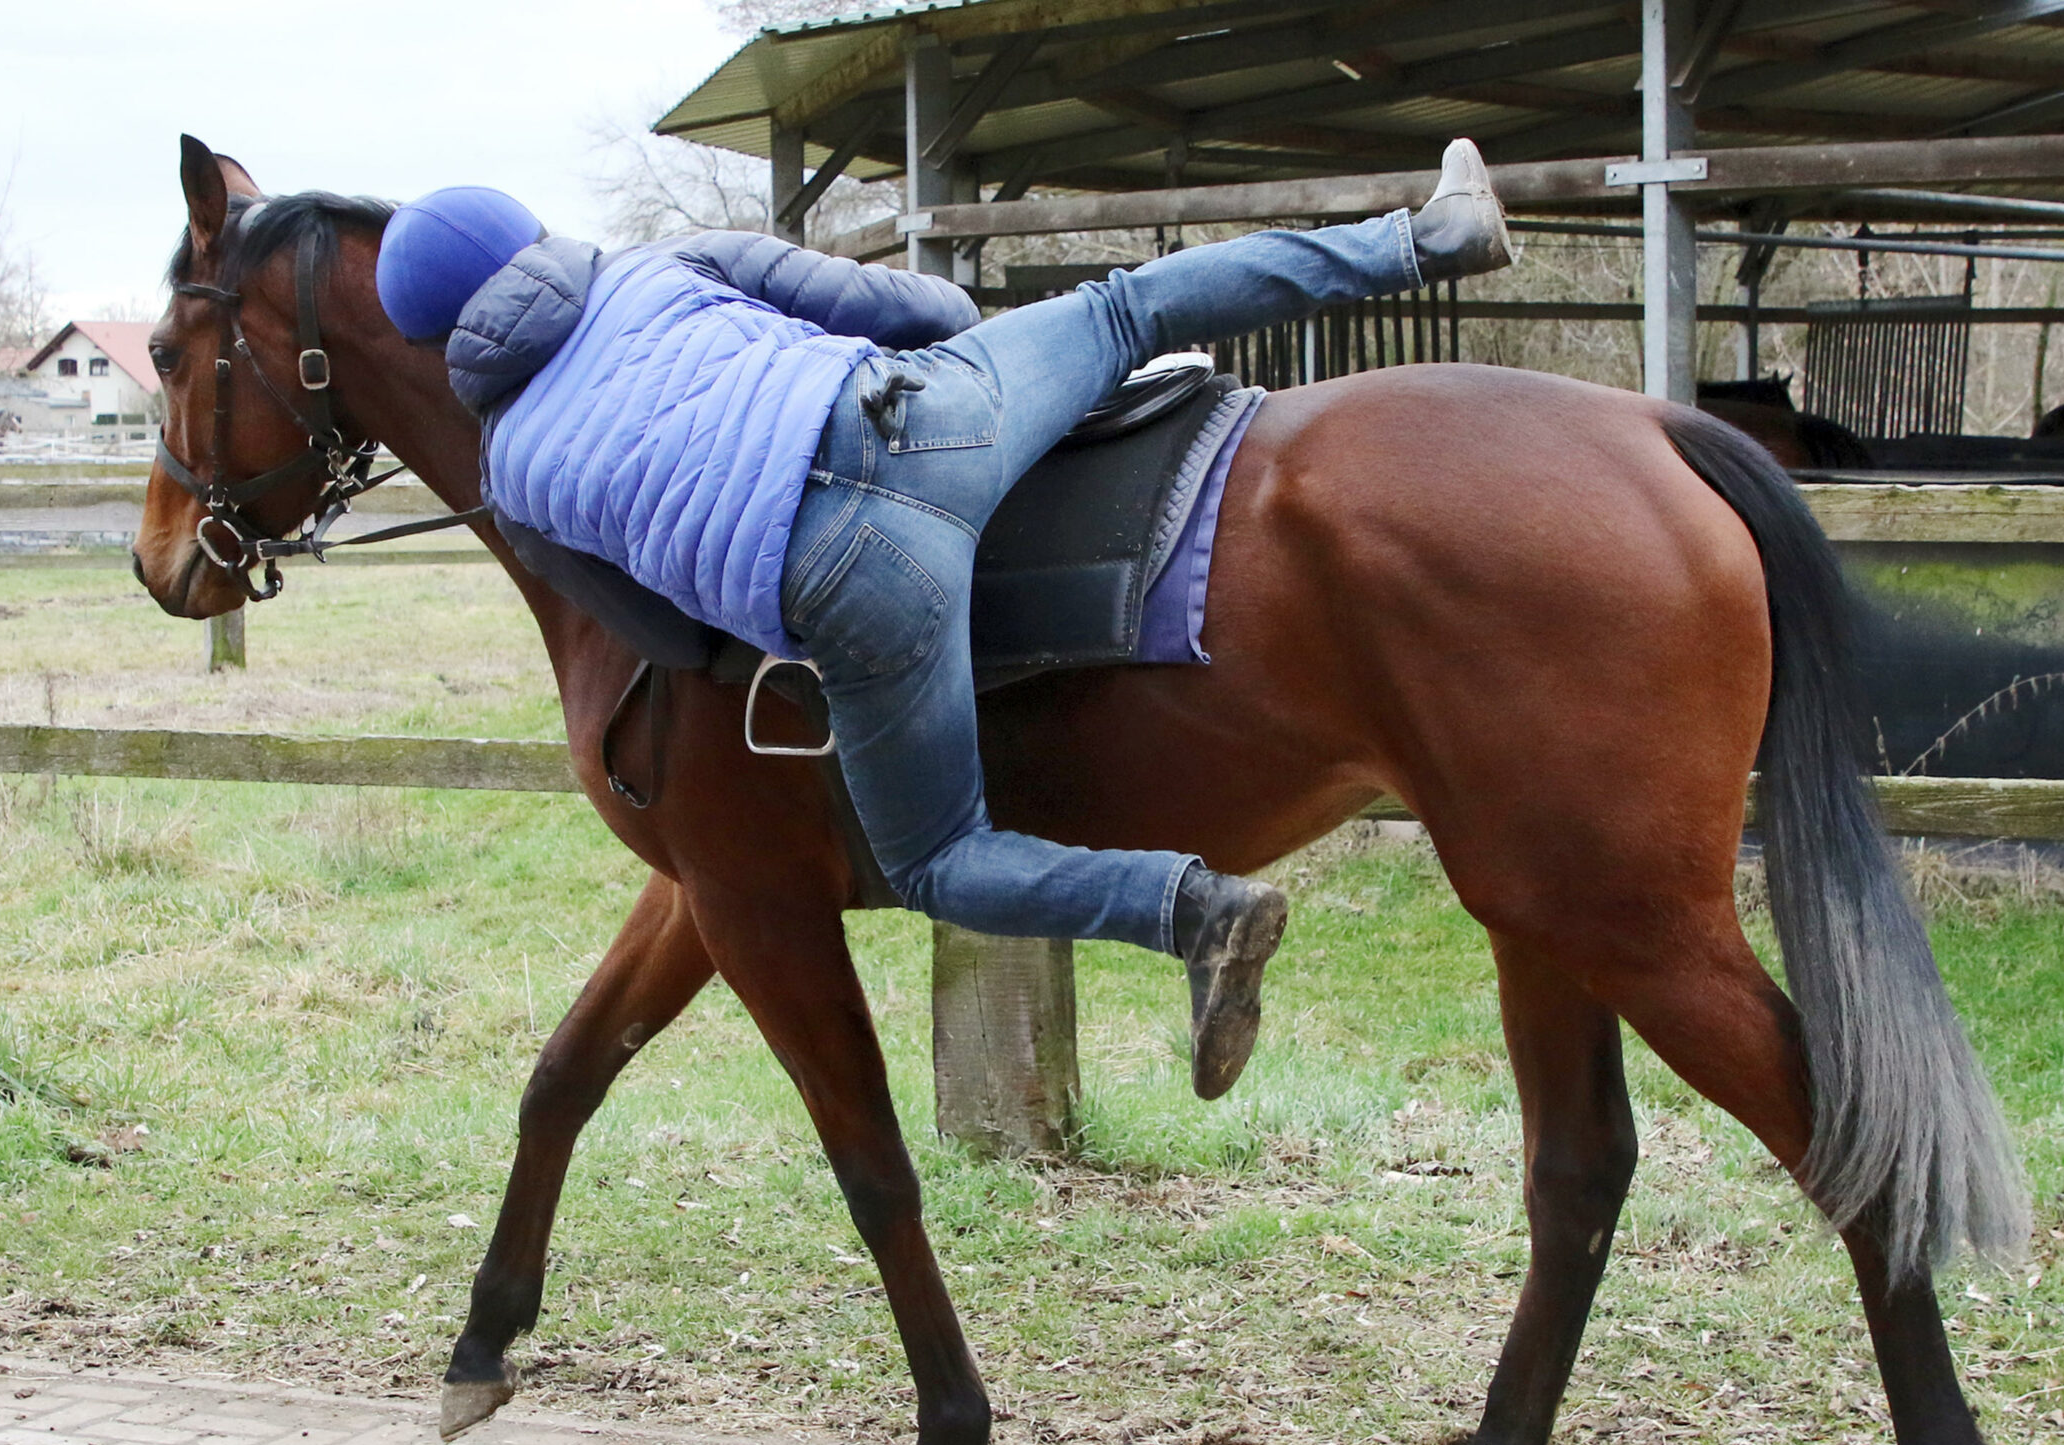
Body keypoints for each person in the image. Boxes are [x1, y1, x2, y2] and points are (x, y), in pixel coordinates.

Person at [376, 141, 1516, 1100]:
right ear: (529, 242)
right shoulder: (673, 266)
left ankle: (1193, 908)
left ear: (436, 341)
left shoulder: (511, 474)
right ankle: (1425, 239)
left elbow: (671, 642)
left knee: (938, 860)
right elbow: (925, 308)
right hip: (931, 416)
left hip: (855, 580)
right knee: (1132, 303)